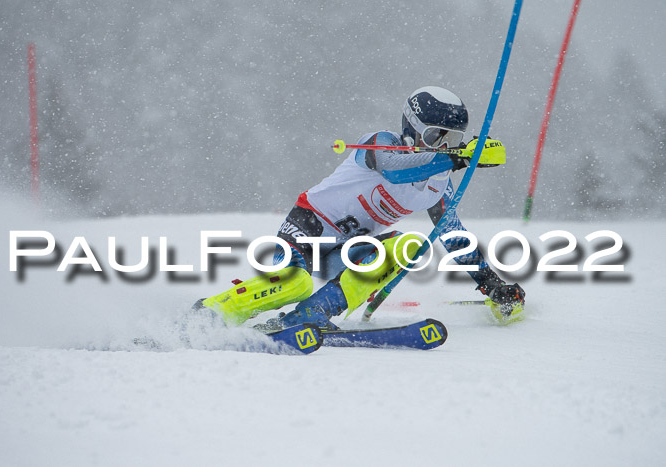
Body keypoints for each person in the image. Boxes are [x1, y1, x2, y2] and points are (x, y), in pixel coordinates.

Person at [200, 86, 525, 329]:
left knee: (407, 247)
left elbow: (453, 236)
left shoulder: (439, 181)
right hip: (308, 228)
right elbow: (396, 170)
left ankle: (308, 316)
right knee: (294, 283)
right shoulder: (381, 143)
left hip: (349, 250)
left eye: (451, 139)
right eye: (434, 135)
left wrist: (492, 284)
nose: (441, 145)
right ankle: (211, 312)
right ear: (411, 127)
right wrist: (458, 157)